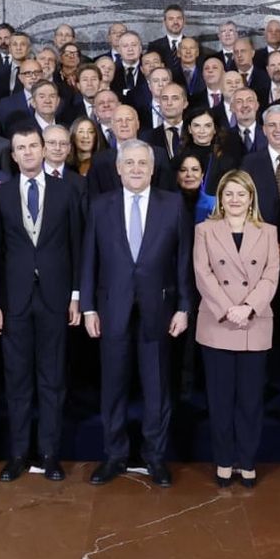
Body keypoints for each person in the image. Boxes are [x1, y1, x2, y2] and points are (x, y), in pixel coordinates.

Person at [80, 140, 193, 488]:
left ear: (153, 167)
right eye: (128, 163)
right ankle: (114, 456)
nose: (135, 169)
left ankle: (155, 458)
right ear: (118, 168)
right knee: (113, 387)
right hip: (111, 309)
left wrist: (184, 307)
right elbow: (89, 259)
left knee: (157, 388)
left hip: (158, 309)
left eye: (142, 163)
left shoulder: (173, 204)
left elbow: (183, 261)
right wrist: (87, 307)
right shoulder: (100, 206)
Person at [0, 126, 82, 483]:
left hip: (55, 298)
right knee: (17, 382)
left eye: (34, 145)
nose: (28, 152)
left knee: (52, 380)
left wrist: (77, 296)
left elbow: (78, 245)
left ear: (45, 150)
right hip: (14, 301)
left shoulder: (68, 190)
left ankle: (49, 453)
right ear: (13, 155)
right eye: (21, 147)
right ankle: (17, 454)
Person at [193, 169, 278, 488]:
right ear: (220, 199)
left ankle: (248, 459)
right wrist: (230, 309)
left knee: (251, 400)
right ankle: (225, 460)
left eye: (241, 193)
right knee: (220, 398)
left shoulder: (268, 231)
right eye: (228, 194)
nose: (235, 199)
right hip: (219, 322)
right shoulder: (205, 230)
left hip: (255, 322)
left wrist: (248, 308)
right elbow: (203, 274)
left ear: (251, 197)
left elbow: (271, 275)